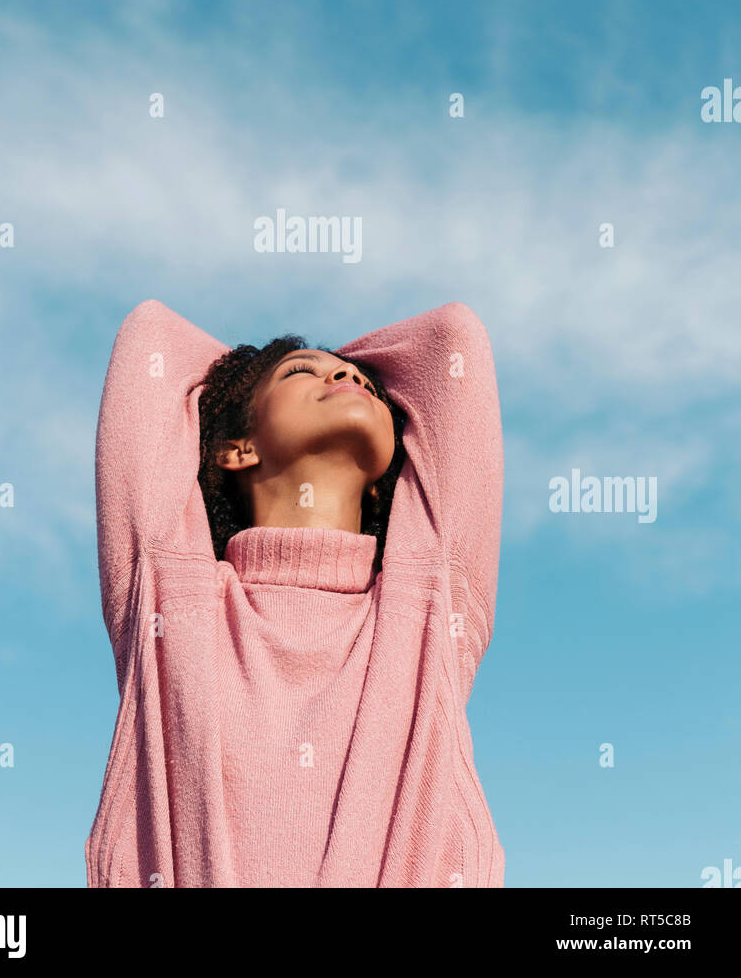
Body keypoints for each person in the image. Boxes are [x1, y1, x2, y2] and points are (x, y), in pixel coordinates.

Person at [85, 298, 504, 887]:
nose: (348, 375)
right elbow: (152, 338)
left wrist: (320, 375)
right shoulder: (171, 595)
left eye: (365, 384)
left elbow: (452, 343)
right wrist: (247, 377)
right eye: (301, 373)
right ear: (235, 449)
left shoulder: (428, 605)